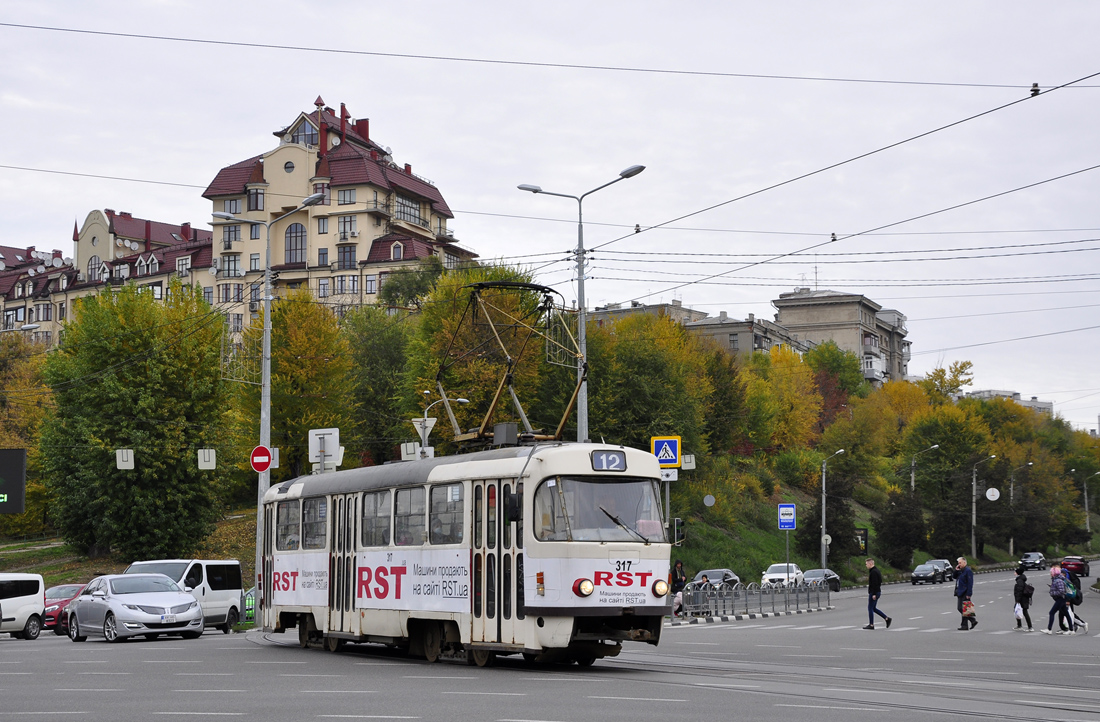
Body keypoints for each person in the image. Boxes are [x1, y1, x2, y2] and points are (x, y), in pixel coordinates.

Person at [1042, 564, 1073, 635]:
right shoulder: (1056, 580)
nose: (1050, 574)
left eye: (1051, 573)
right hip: (1060, 599)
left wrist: (1053, 592)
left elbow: (1061, 591)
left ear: (1054, 573)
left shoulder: (1058, 580)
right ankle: (1071, 629)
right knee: (1066, 613)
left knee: (1051, 612)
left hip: (1060, 599)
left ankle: (1049, 629)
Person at [863, 558, 892, 630]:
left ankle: (871, 624)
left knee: (870, 608)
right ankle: (887, 618)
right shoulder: (876, 571)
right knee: (874, 608)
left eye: (866, 564)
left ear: (870, 564)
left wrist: (874, 594)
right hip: (876, 592)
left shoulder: (873, 572)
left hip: (874, 592)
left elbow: (875, 584)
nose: (866, 566)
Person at [954, 556, 976, 630]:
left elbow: (970, 583)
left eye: (960, 563)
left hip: (965, 592)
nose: (959, 564)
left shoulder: (968, 571)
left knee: (962, 608)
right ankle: (966, 624)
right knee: (963, 609)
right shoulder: (960, 571)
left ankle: (971, 621)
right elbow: (954, 577)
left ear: (964, 563)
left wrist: (969, 594)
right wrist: (956, 570)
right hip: (959, 591)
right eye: (958, 563)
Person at [1013, 566, 1033, 632]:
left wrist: (1018, 600)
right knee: (1018, 610)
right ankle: (1019, 625)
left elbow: (1019, 591)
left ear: (1017, 573)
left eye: (1015, 572)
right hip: (1023, 598)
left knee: (1024, 612)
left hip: (1022, 599)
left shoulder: (1019, 581)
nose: (1014, 573)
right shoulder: (1020, 579)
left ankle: (1030, 627)